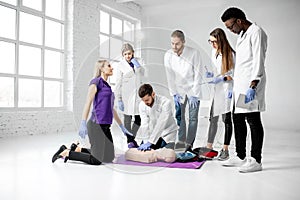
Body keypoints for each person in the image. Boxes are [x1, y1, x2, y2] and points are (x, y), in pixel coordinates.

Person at [52, 60, 137, 165]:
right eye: (109, 66)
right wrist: (83, 122)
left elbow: (111, 109)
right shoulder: (96, 82)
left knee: (109, 157)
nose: (112, 68)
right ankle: (67, 153)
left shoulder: (108, 87)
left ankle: (77, 149)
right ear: (101, 68)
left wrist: (122, 127)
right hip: (96, 125)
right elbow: (88, 103)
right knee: (97, 160)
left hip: (106, 127)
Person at [220, 7, 268, 173]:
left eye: (230, 26)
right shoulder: (242, 35)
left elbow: (258, 59)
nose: (231, 30)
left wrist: (253, 84)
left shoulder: (256, 32)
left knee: (253, 121)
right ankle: (240, 156)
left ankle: (256, 160)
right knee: (237, 120)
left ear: (239, 21)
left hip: (250, 85)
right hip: (240, 86)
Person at [164, 30, 202, 151]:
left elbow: (198, 74)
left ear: (183, 42)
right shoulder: (168, 55)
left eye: (177, 44)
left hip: (192, 89)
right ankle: (181, 142)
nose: (174, 47)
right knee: (180, 117)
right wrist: (173, 93)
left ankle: (189, 145)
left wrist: (195, 94)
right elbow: (169, 76)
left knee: (193, 118)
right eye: (172, 44)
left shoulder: (194, 53)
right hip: (178, 90)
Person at [205, 28, 235, 161]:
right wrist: (211, 75)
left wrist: (221, 78)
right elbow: (215, 69)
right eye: (210, 41)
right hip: (216, 91)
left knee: (226, 120)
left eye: (214, 42)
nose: (212, 44)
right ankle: (209, 148)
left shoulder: (231, 54)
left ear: (220, 40)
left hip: (227, 90)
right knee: (213, 119)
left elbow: (233, 76)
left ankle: (225, 149)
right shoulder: (214, 52)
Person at [115, 43, 145, 142]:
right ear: (123, 55)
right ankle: (130, 140)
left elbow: (145, 75)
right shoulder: (120, 65)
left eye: (129, 53)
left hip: (138, 95)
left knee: (138, 119)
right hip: (126, 96)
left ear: (133, 53)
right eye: (125, 54)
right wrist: (119, 99)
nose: (128, 56)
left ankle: (132, 137)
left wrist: (138, 66)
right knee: (127, 119)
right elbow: (118, 83)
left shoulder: (139, 61)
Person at [136, 83, 178, 151]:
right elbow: (144, 124)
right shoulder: (142, 105)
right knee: (144, 152)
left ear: (153, 94)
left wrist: (151, 142)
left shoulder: (166, 103)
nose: (145, 103)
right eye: (143, 100)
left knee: (166, 156)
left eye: (147, 100)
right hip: (153, 134)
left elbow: (161, 123)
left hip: (167, 133)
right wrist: (146, 141)